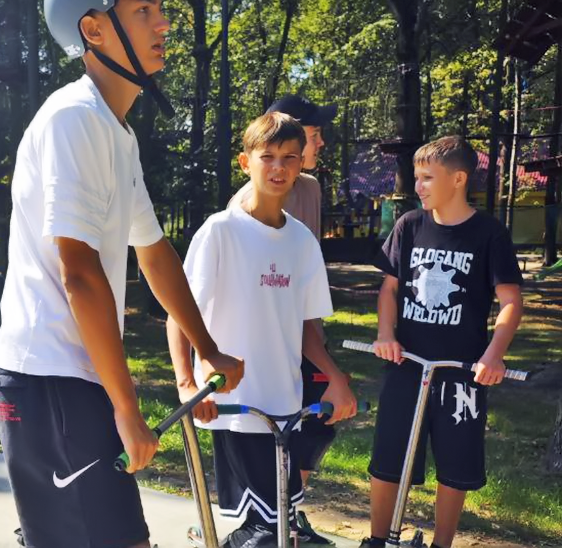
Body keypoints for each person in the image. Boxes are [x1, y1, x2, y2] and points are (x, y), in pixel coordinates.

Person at [0, 0, 245, 548]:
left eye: (160, 9)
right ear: (94, 29)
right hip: (47, 376)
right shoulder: (73, 119)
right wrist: (126, 407)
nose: (163, 23)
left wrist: (205, 348)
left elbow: (154, 254)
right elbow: (78, 274)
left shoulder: (115, 132)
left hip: (72, 379)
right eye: (143, 10)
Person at [171, 112, 357, 548]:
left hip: (284, 405)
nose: (278, 167)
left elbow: (307, 325)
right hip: (231, 406)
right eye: (267, 156)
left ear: (302, 164)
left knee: (276, 530)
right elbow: (181, 313)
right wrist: (185, 384)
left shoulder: (302, 241)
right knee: (265, 534)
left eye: (290, 157)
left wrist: (335, 378)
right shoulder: (221, 230)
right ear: (245, 162)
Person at [362, 136, 524, 548]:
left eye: (427, 178)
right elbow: (389, 290)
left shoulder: (489, 234)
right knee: (388, 459)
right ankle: (378, 539)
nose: (418, 186)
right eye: (417, 177)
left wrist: (493, 356)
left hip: (461, 372)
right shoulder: (410, 226)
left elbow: (510, 301)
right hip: (406, 365)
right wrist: (385, 335)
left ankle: (442, 543)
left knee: (456, 464)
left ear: (458, 179)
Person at [228, 94, 339, 545]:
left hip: (304, 330)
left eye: (299, 150)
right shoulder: (241, 209)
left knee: (315, 426)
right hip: (263, 349)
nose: (321, 142)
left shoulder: (309, 188)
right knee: (277, 438)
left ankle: (289, 513)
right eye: (315, 133)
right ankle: (266, 522)